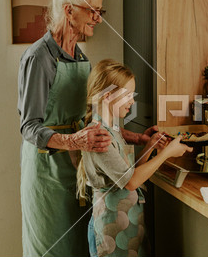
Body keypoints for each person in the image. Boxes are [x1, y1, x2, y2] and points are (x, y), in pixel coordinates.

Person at [18, 0, 156, 257]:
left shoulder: (80, 56)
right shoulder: (39, 58)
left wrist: (137, 138)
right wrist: (73, 141)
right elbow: (29, 127)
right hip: (49, 174)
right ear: (69, 11)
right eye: (92, 11)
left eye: (100, 11)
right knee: (53, 252)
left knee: (82, 250)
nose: (98, 19)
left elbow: (96, 122)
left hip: (80, 172)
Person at [77, 60, 192, 257]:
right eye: (128, 95)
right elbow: (131, 182)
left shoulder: (111, 129)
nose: (132, 101)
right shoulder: (99, 137)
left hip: (126, 228)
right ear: (107, 97)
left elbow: (127, 172)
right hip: (109, 232)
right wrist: (166, 153)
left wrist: (151, 147)